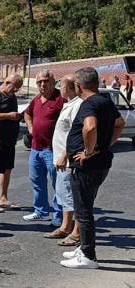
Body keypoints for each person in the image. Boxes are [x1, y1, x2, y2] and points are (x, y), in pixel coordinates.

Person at [60, 67, 124, 269]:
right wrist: (104, 145)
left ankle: (88, 256)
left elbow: (90, 127)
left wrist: (88, 151)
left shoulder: (88, 105)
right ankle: (84, 248)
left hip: (86, 166)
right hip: (100, 162)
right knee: (85, 207)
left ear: (79, 86)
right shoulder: (105, 101)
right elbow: (119, 123)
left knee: (83, 211)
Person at [44, 74, 82, 246]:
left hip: (66, 160)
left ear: (71, 87)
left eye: (62, 85)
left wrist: (65, 155)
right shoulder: (69, 104)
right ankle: (66, 227)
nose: (59, 88)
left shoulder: (77, 106)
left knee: (70, 196)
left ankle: (75, 231)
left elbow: (76, 135)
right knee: (62, 194)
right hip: (60, 159)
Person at [23, 70, 65, 226]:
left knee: (58, 184)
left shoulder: (61, 99)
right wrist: (30, 127)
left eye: (46, 81)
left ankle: (59, 216)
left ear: (53, 81)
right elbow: (27, 114)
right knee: (37, 181)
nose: (42, 84)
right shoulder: (36, 100)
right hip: (36, 149)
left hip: (53, 150)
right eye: (39, 82)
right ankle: (40, 211)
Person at [0, 74, 23, 213]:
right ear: (7, 82)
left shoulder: (11, 95)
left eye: (17, 89)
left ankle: (3, 198)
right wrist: (8, 116)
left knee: (7, 169)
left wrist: (17, 116)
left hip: (10, 139)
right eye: (14, 87)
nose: (15, 91)